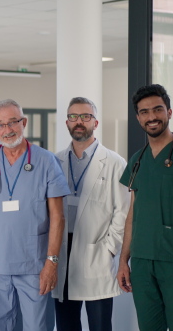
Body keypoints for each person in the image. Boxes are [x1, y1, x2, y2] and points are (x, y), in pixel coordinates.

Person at [0, 99, 69, 331]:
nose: (7, 130)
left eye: (12, 122)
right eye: (0, 125)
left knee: (37, 326)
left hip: (34, 264)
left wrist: (51, 263)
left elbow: (58, 217)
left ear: (23, 122)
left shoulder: (46, 160)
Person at [54, 97, 129, 331]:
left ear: (95, 123)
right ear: (67, 122)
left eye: (85, 116)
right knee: (67, 325)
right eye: (73, 117)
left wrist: (109, 247)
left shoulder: (115, 163)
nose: (79, 121)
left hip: (96, 252)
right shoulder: (55, 161)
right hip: (63, 252)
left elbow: (123, 211)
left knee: (100, 325)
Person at [118, 84, 173, 330]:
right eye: (144, 112)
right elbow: (132, 213)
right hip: (141, 261)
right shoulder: (137, 160)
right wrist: (123, 260)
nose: (151, 117)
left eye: (157, 109)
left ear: (169, 112)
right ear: (138, 117)